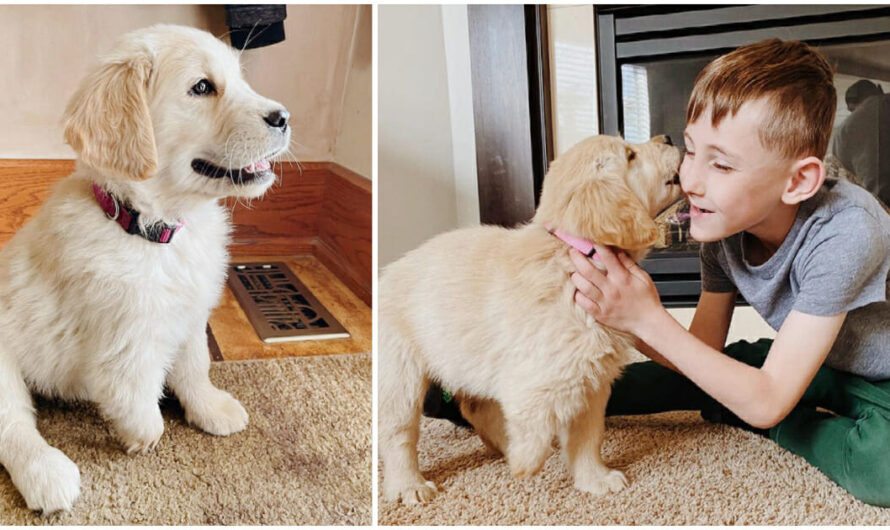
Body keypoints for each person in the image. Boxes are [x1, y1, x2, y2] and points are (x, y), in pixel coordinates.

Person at [426, 39, 890, 507]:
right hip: (808, 360)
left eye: (722, 164)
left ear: (797, 182)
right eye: (691, 151)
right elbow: (699, 350)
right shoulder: (723, 227)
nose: (690, 180)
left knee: (880, 469)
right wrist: (622, 314)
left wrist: (653, 323)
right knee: (671, 370)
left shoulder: (847, 231)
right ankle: (463, 399)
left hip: (878, 377)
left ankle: (762, 414)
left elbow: (767, 400)